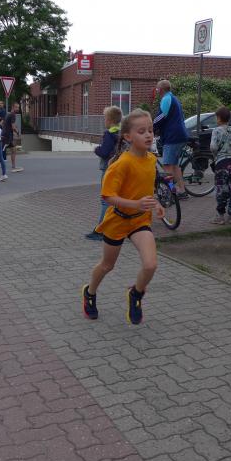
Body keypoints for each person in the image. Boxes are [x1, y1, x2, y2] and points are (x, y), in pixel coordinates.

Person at [81, 108, 164, 325]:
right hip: (117, 220)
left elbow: (145, 190)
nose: (148, 135)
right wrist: (136, 203)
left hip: (139, 220)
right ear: (128, 137)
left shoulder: (151, 160)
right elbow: (108, 196)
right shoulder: (122, 164)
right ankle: (90, 292)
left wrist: (155, 203)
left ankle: (136, 294)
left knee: (150, 265)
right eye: (141, 131)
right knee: (107, 265)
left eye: (150, 130)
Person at [86, 106, 123, 241]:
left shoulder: (109, 134)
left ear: (110, 120)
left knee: (106, 200)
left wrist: (96, 149)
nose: (104, 121)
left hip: (108, 169)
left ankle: (101, 231)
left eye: (105, 118)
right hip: (119, 168)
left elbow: (105, 152)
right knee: (116, 199)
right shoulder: (121, 132)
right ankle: (117, 227)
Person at [153, 79, 189, 199]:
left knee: (167, 165)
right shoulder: (173, 98)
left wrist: (151, 125)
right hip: (179, 135)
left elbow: (162, 115)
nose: (156, 90)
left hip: (172, 136)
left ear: (161, 89)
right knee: (174, 165)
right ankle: (181, 191)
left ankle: (170, 192)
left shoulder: (166, 98)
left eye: (157, 88)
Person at [2, 102, 22, 172]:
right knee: (0, 151)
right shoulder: (13, 114)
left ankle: (13, 166)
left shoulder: (8, 114)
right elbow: (13, 127)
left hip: (7, 135)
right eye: (16, 107)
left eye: (18, 107)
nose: (18, 109)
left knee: (13, 150)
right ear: (13, 107)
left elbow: (3, 123)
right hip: (6, 136)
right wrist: (17, 132)